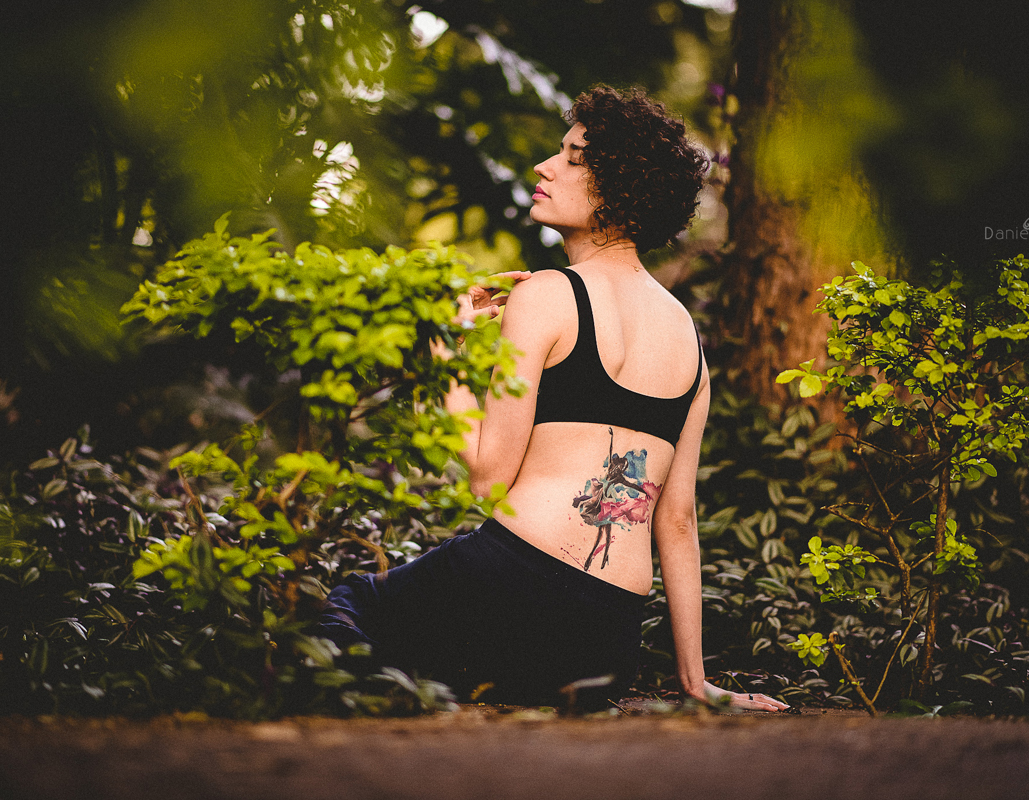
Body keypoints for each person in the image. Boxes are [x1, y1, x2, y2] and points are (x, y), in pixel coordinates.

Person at [321, 86, 788, 713]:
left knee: (346, 606)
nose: (544, 167)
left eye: (572, 158)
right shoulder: (688, 339)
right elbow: (676, 521)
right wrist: (695, 683)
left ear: (618, 188)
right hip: (606, 643)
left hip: (507, 584)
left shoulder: (546, 294)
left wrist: (446, 348)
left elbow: (488, 478)